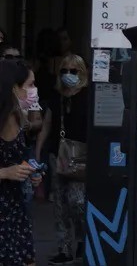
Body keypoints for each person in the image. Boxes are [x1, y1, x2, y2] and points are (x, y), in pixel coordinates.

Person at [43, 54, 90, 264]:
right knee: (60, 205)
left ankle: (81, 240)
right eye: (64, 71)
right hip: (58, 155)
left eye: (73, 71)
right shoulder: (56, 97)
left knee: (77, 202)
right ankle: (64, 248)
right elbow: (46, 126)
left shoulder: (88, 96)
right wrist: (39, 154)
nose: (68, 75)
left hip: (80, 156)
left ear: (82, 73)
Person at [0, 60, 39, 266]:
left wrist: (29, 171)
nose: (34, 91)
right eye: (30, 85)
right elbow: (7, 167)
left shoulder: (17, 117)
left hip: (14, 208)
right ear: (14, 87)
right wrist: (6, 172)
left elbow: (15, 158)